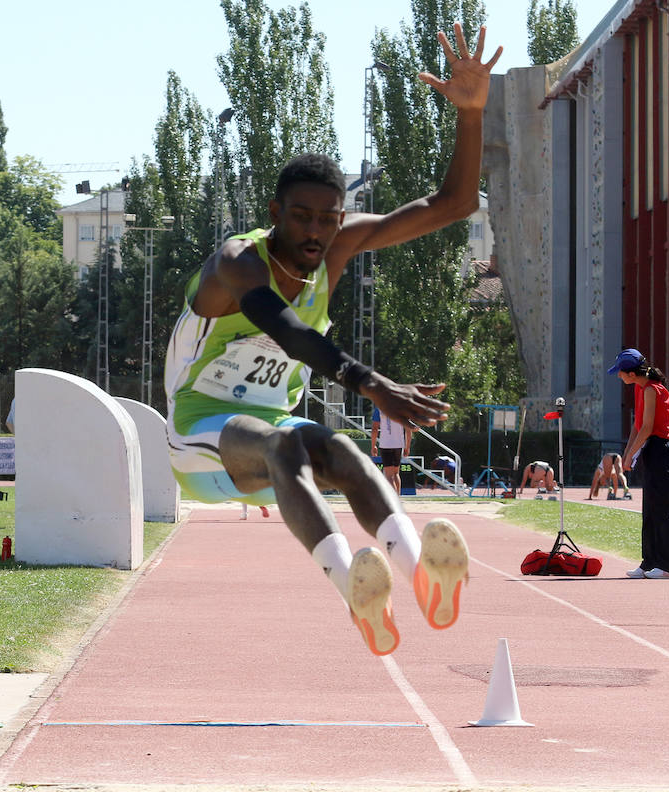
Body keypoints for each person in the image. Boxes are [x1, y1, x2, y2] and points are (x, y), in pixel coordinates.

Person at [162, 24, 500, 657]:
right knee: (283, 444)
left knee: (340, 451)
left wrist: (472, 115)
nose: (316, 231)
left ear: (341, 219)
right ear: (275, 212)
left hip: (274, 426)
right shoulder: (236, 263)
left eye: (327, 218)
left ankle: (420, 577)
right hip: (198, 436)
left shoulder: (338, 248)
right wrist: (372, 383)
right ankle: (353, 588)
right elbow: (287, 333)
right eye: (301, 217)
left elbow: (452, 205)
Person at [612, 348, 669, 579]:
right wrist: (627, 452)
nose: (619, 377)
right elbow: (638, 426)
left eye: (620, 373)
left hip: (661, 449)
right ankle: (649, 562)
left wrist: (632, 455)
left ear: (631, 373)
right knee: (649, 510)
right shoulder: (641, 389)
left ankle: (668, 566)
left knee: (662, 509)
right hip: (650, 449)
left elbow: (649, 427)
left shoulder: (652, 389)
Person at [370, 407, 410, 494]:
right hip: (399, 445)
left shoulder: (380, 408)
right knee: (396, 474)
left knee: (389, 476)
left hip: (386, 444)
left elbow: (374, 429)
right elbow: (408, 429)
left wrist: (373, 446)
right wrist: (407, 446)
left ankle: (394, 500)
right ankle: (398, 499)